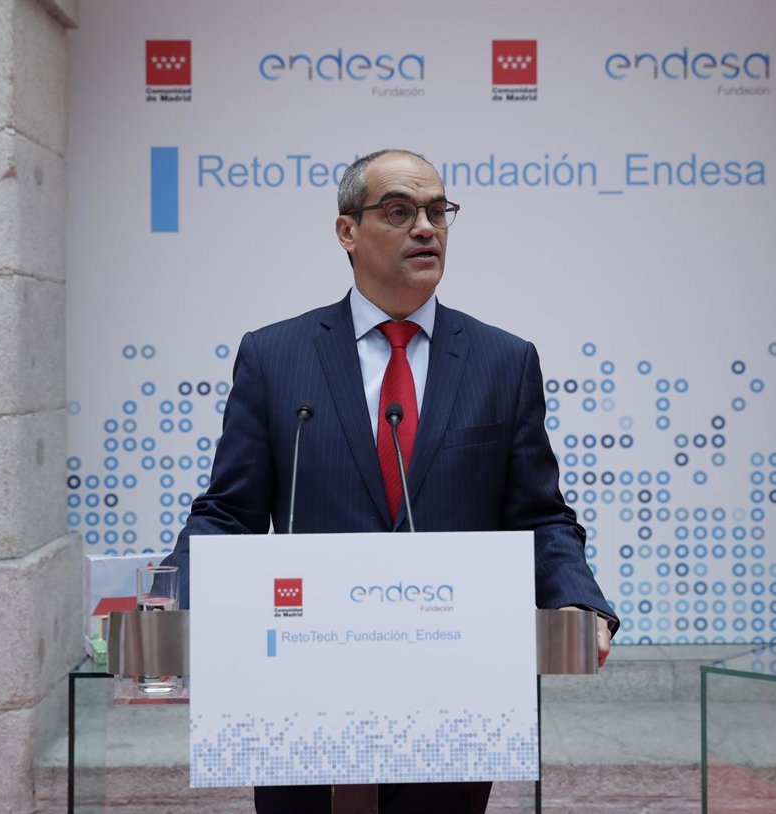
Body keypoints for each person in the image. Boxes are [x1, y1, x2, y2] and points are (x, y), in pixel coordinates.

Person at [162, 148, 618, 814]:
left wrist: (577, 601)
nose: (426, 228)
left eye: (437, 211)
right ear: (347, 230)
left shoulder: (503, 361)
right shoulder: (275, 356)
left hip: (455, 688)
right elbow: (230, 511)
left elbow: (539, 515)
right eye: (400, 211)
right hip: (302, 682)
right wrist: (167, 602)